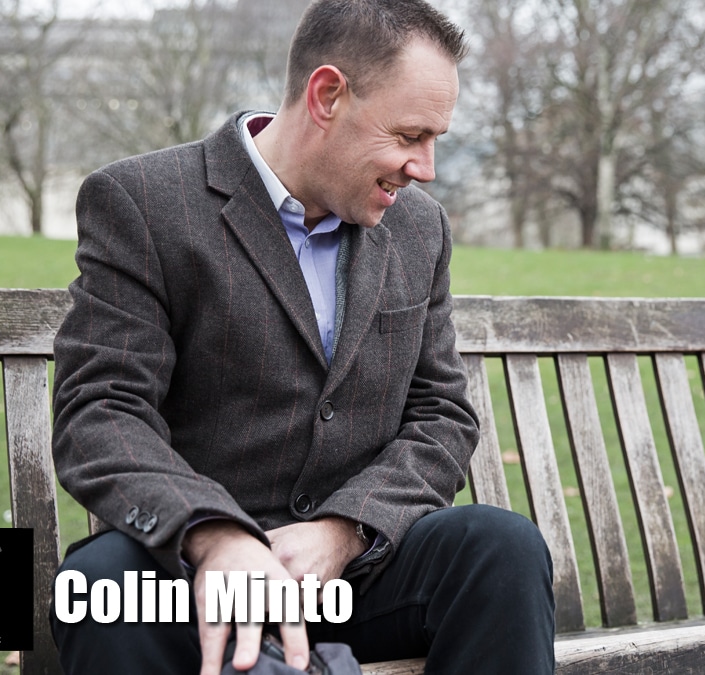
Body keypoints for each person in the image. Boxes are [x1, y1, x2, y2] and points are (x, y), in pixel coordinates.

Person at [49, 1, 556, 673]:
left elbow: (441, 414)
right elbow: (101, 409)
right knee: (100, 587)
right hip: (196, 579)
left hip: (355, 578)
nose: (425, 167)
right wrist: (215, 534)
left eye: (435, 139)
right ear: (327, 96)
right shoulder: (143, 201)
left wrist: (345, 530)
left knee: (500, 546)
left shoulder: (419, 228)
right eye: (410, 135)